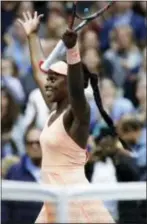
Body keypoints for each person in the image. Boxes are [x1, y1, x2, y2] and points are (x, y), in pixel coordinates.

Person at [17, 11, 115, 223]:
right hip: (53, 200)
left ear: (68, 84)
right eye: (48, 79)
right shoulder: (54, 110)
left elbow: (76, 91)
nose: (48, 82)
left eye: (54, 79)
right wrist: (32, 35)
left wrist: (73, 51)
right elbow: (38, 71)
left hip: (74, 201)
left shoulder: (78, 112)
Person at [1, 126, 42, 224]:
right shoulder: (14, 172)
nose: (34, 146)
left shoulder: (56, 171)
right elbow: (5, 206)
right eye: (30, 143)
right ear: (25, 146)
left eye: (38, 142)